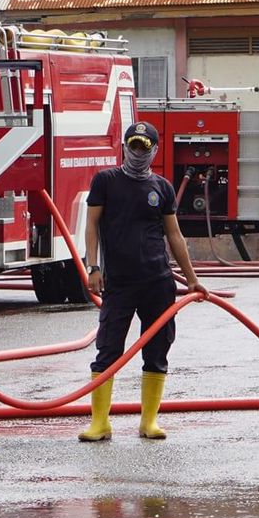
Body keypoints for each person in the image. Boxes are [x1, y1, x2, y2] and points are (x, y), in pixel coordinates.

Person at [77, 121, 209, 443]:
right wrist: (93, 266)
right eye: (133, 146)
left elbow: (174, 235)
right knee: (108, 349)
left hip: (158, 282)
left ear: (154, 151)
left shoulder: (162, 188)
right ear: (124, 147)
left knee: (157, 349)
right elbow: (92, 226)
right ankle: (100, 423)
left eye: (144, 147)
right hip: (118, 283)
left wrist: (192, 280)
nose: (138, 153)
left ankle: (149, 422)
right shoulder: (106, 181)